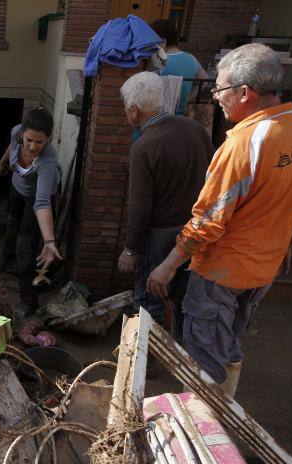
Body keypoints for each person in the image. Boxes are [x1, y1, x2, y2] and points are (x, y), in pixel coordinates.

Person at [147, 44, 292, 396]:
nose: (216, 97)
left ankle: (205, 427)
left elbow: (209, 221)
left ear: (244, 92)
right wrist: (287, 239)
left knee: (204, 361)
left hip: (221, 271)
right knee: (230, 343)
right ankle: (225, 406)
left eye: (220, 88)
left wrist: (168, 266)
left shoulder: (245, 144)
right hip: (263, 269)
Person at [117, 71, 213, 337]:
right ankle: (183, 355)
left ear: (134, 110)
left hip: (161, 236)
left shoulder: (144, 146)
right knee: (185, 299)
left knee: (150, 299)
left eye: (126, 109)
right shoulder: (195, 129)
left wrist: (130, 249)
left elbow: (140, 207)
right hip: (196, 230)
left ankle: (143, 365)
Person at [0, 108, 63, 313]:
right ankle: (5, 258)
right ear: (22, 133)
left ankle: (29, 302)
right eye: (29, 140)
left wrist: (50, 242)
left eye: (39, 142)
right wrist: (2, 163)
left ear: (48, 139)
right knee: (12, 225)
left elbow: (42, 202)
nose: (32, 147)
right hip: (17, 188)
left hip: (36, 198)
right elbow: (11, 146)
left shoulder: (47, 160)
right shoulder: (16, 132)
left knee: (26, 248)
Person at [151, 19, 208, 115]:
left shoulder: (158, 60)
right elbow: (205, 80)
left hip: (159, 116)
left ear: (163, 41)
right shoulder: (191, 58)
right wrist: (188, 98)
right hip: (180, 114)